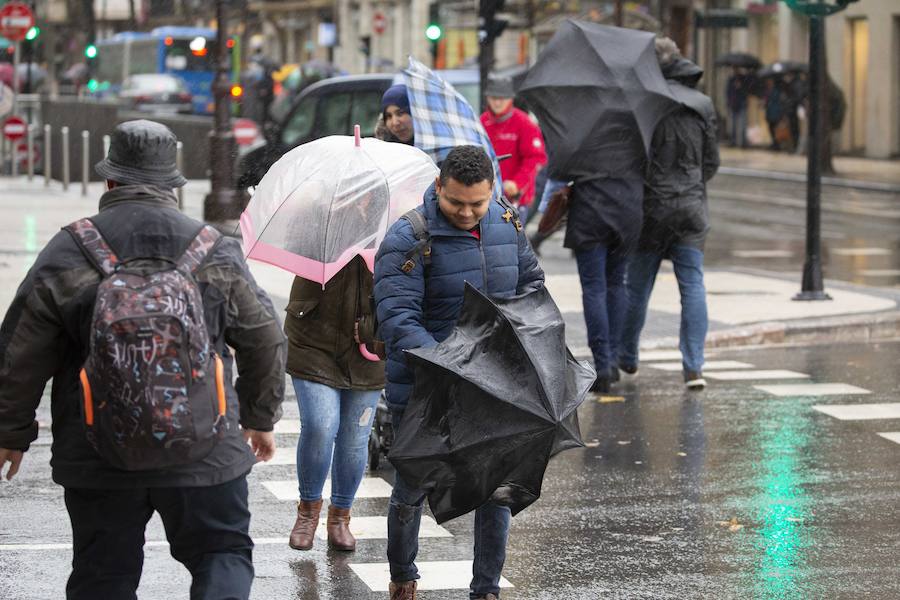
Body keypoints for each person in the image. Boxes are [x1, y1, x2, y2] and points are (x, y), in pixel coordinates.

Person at [0, 120, 287, 599]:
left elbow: (20, 351)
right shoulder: (212, 247)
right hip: (205, 446)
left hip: (98, 451)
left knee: (103, 575)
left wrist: (11, 433)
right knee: (222, 554)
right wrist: (259, 416)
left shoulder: (71, 247)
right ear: (173, 185)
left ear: (109, 181)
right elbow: (264, 337)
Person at [374, 145, 544, 600]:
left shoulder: (505, 221)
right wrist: (450, 367)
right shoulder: (408, 236)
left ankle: (486, 588)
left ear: (492, 193)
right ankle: (403, 578)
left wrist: (525, 339)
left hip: (494, 385)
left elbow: (530, 284)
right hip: (427, 388)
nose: (467, 212)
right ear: (437, 188)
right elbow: (398, 320)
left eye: (477, 203)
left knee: (495, 491)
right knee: (411, 489)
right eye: (456, 203)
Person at [618, 53, 720, 390]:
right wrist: (691, 185)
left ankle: (627, 356)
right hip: (691, 209)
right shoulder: (702, 105)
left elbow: (632, 162)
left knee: (637, 288)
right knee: (692, 286)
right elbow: (711, 163)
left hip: (651, 212)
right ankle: (694, 367)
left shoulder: (644, 106)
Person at [286, 239, 385, 550]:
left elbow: (410, 294)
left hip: (368, 349)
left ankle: (340, 516)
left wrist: (374, 327)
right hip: (313, 337)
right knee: (320, 424)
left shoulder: (400, 225)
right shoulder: (321, 215)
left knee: (355, 436)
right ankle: (307, 512)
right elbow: (294, 251)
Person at [479, 75, 547, 223]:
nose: (497, 102)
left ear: (511, 99)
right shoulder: (482, 121)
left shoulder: (524, 123)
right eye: (493, 97)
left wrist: (517, 183)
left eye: (502, 98)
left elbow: (536, 158)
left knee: (511, 240)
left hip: (516, 198)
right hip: (487, 196)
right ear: (487, 98)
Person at [725, 67, 751, 147]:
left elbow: (747, 91)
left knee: (743, 123)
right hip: (733, 104)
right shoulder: (731, 80)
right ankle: (733, 141)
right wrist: (729, 102)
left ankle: (743, 141)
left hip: (742, 104)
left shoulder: (744, 80)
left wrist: (741, 87)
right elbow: (728, 92)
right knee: (733, 124)